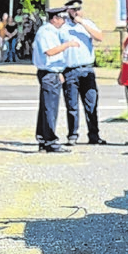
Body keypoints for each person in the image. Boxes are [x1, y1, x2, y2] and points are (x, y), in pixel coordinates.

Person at [32, 8, 80, 153]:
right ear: (54, 19)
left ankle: (43, 139)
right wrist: (67, 45)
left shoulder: (52, 31)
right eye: (61, 18)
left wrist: (59, 71)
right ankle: (50, 141)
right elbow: (50, 52)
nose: (64, 21)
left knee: (47, 108)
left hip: (52, 72)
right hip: (48, 73)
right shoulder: (46, 32)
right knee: (50, 109)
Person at [61, 0, 106, 145]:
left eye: (79, 9)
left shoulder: (87, 24)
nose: (76, 12)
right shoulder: (62, 27)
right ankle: (72, 135)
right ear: (68, 11)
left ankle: (94, 135)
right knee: (72, 106)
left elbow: (99, 37)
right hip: (69, 70)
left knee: (91, 104)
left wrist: (82, 23)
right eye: (73, 10)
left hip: (87, 69)